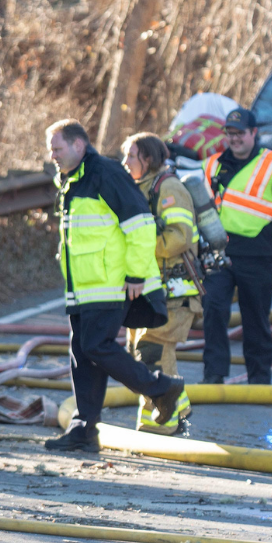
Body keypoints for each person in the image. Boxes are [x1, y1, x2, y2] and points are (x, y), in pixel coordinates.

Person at [43, 119, 185, 452]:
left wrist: (136, 275)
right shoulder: (72, 180)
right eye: (51, 151)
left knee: (95, 346)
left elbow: (139, 224)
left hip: (110, 285)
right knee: (83, 354)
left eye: (57, 149)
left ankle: (160, 388)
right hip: (83, 287)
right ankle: (84, 429)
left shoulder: (104, 174)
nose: (53, 156)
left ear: (79, 145)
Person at [200, 107, 272, 385]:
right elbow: (198, 206)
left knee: (256, 319)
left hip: (257, 254)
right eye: (230, 134)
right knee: (213, 311)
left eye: (240, 134)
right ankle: (213, 375)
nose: (234, 139)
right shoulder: (212, 165)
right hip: (218, 251)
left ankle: (259, 380)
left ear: (253, 133)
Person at [121, 132, 198, 435]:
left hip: (175, 292)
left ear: (148, 159)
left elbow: (180, 236)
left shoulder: (169, 188)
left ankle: (161, 423)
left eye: (131, 156)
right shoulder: (138, 187)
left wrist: (141, 246)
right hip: (147, 288)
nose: (125, 162)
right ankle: (170, 413)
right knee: (141, 353)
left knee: (151, 352)